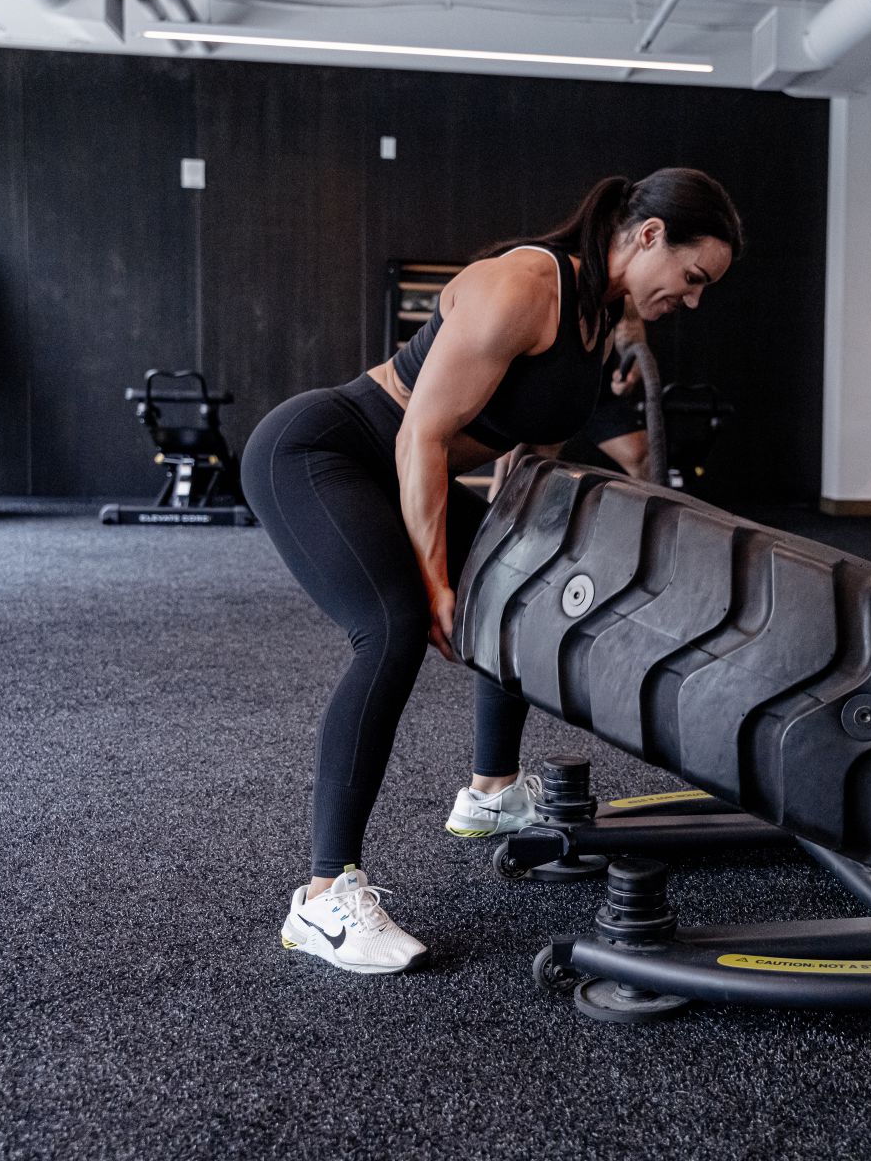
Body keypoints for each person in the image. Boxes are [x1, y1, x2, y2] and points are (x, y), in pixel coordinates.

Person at [241, 169, 741, 974]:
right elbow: (421, 439)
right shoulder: (522, 284)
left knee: (522, 588)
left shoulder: (604, 320)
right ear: (648, 236)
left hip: (398, 462)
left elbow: (526, 456)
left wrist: (523, 556)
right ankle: (323, 894)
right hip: (326, 450)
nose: (693, 300)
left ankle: (490, 795)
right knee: (395, 625)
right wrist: (439, 582)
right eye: (692, 279)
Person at [577, 298, 655, 481]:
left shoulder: (617, 294)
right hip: (552, 390)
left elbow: (633, 341)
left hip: (599, 395)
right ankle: (500, 504)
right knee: (519, 458)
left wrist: (629, 375)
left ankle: (651, 509)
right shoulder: (550, 284)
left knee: (644, 458)